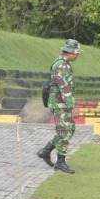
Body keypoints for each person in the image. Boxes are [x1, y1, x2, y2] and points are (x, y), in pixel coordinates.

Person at [37, 38, 80, 174]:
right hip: (59, 103)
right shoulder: (60, 65)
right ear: (71, 52)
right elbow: (64, 88)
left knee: (69, 129)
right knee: (65, 130)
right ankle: (60, 162)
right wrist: (73, 106)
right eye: (77, 53)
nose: (78, 56)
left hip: (63, 103)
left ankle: (46, 151)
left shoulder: (64, 64)